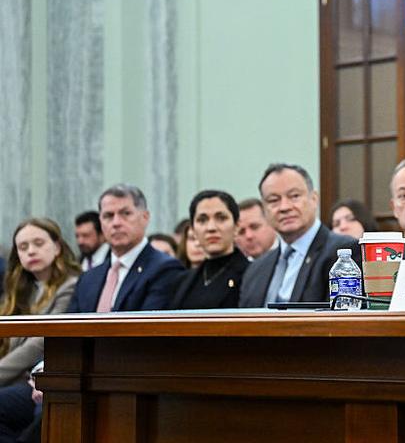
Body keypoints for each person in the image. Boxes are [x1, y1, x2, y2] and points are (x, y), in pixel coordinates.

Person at [0, 219, 80, 443]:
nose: (31, 251)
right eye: (23, 247)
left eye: (38, 243)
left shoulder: (72, 286)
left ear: (57, 247)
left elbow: (42, 341)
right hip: (16, 378)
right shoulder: (22, 290)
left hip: (41, 378)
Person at [239, 164, 360, 307]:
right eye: (273, 200)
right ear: (264, 210)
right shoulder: (256, 268)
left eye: (294, 196)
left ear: (314, 199)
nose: (284, 207)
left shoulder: (344, 253)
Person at [67, 184, 185, 313]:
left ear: (145, 217)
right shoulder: (89, 278)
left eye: (126, 214)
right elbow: (69, 328)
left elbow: (149, 327)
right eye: (108, 216)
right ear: (100, 222)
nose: (116, 223)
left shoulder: (165, 269)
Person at [170, 190, 249, 309]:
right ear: (193, 230)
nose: (211, 228)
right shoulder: (182, 281)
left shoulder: (251, 275)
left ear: (236, 226)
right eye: (202, 220)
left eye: (221, 218)